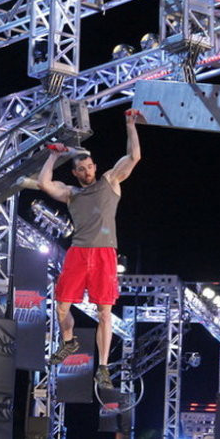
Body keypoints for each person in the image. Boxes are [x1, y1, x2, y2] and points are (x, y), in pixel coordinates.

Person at [37, 108, 143, 389]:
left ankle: (103, 367)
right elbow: (43, 183)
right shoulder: (72, 193)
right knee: (61, 307)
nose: (86, 172)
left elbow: (134, 156)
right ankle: (68, 341)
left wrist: (130, 124)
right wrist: (53, 156)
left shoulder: (110, 181)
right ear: (75, 172)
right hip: (78, 253)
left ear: (95, 167)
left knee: (104, 312)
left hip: (104, 253)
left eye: (89, 167)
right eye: (81, 169)